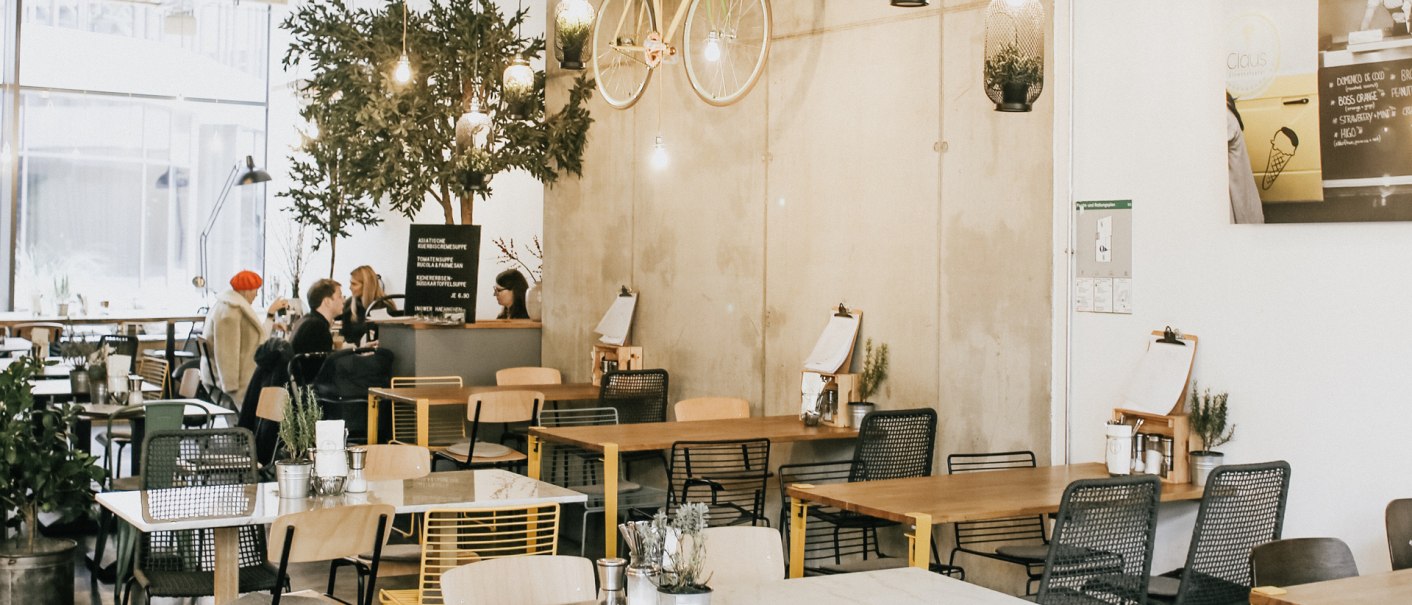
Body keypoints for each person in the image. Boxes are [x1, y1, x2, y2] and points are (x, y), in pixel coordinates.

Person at [203, 270, 288, 408]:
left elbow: (257, 338)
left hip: (239, 375)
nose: (256, 294)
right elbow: (227, 352)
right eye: (256, 290)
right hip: (238, 383)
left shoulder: (229, 307)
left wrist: (270, 321)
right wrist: (231, 387)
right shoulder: (230, 313)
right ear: (247, 290)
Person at [339, 265, 397, 344]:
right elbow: (344, 334)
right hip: (353, 352)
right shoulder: (349, 304)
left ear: (366, 285)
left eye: (354, 284)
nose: (350, 287)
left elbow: (391, 337)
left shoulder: (385, 306)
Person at [290, 278, 345, 355]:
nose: (343, 300)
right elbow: (321, 364)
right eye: (340, 296)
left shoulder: (306, 321)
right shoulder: (317, 328)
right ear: (327, 302)